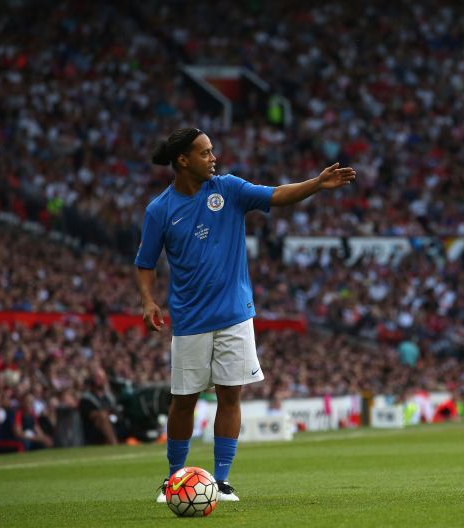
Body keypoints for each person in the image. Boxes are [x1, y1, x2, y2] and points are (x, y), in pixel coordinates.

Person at [135, 127, 355, 502]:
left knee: (229, 396)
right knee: (183, 400)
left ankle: (220, 481)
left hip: (235, 313)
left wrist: (316, 184)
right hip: (189, 319)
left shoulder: (228, 189)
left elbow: (276, 195)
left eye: (212, 151)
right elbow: (145, 262)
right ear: (183, 160)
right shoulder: (160, 210)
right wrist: (148, 301)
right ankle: (174, 479)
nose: (213, 158)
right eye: (204, 153)